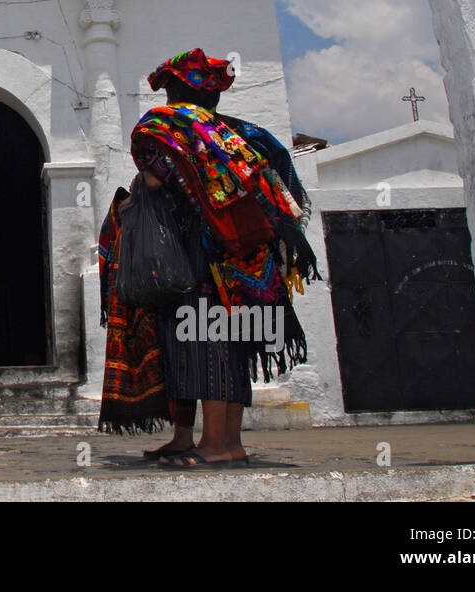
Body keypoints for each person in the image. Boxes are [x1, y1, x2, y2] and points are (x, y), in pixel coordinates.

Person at [98, 48, 317, 468]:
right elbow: (288, 191)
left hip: (195, 260)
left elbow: (155, 179)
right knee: (231, 347)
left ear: (174, 91)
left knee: (205, 346)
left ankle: (216, 443)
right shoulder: (246, 134)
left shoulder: (166, 127)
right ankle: (216, 441)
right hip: (249, 263)